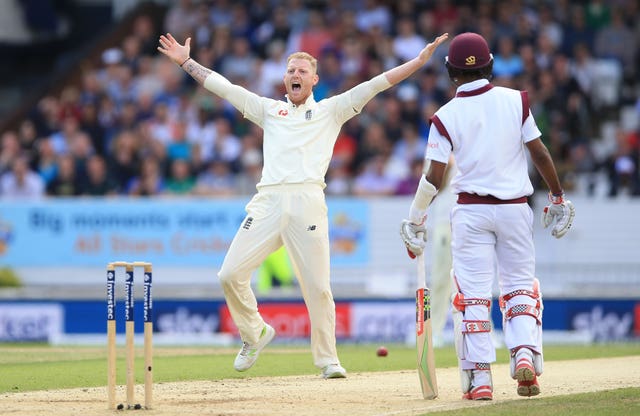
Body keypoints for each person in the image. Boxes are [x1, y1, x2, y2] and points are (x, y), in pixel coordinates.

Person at [158, 31, 449, 378]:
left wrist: (417, 62)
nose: (295, 75)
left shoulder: (331, 110)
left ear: (314, 79)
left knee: (318, 288)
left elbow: (376, 84)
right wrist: (186, 62)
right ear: (284, 78)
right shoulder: (270, 110)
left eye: (301, 71)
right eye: (290, 70)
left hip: (308, 200)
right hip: (267, 201)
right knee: (230, 274)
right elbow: (224, 88)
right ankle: (255, 333)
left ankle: (328, 360)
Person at [400, 33, 575, 400]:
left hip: (471, 211)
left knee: (473, 297)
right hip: (514, 210)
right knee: (520, 286)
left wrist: (416, 218)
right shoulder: (516, 101)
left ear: (450, 72)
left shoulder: (444, 116)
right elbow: (539, 153)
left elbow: (433, 177)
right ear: (490, 65)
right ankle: (524, 353)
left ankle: (480, 380)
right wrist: (557, 195)